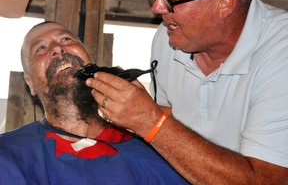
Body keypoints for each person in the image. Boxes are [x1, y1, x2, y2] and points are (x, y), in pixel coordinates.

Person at [86, 0, 288, 184]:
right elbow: (168, 122)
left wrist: (148, 120)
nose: (157, 7)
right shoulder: (167, 40)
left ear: (225, 3)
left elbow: (263, 180)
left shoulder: (281, 51)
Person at [0, 21, 189, 185]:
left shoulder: (158, 145)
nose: (57, 48)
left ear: (91, 61)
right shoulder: (9, 154)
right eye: (40, 48)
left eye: (66, 39)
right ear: (29, 83)